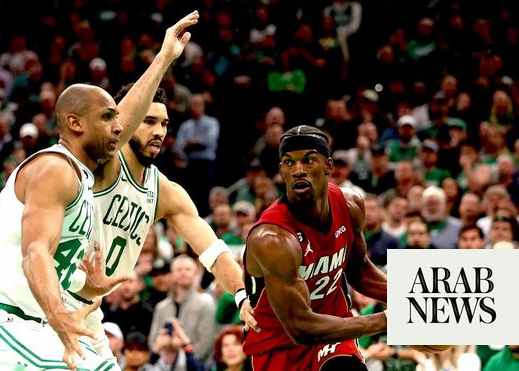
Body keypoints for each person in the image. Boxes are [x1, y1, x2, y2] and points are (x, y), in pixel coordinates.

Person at [0, 11, 200, 371]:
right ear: (76, 124)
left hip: (33, 323)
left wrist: (164, 59)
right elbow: (35, 252)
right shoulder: (54, 169)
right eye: (107, 119)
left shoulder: (81, 177)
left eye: (117, 118)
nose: (118, 127)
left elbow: (122, 120)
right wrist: (59, 314)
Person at [63, 10, 256, 362]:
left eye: (165, 123)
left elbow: (214, 252)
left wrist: (243, 297)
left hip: (89, 312)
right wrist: (165, 57)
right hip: (52, 297)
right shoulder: (102, 164)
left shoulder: (166, 193)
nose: (160, 131)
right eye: (149, 120)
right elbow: (111, 129)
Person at [243, 125, 387, 370]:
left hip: (334, 331)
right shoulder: (272, 238)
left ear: (328, 166)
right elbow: (301, 328)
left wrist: (411, 299)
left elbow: (359, 269)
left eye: (309, 160)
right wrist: (386, 321)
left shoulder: (350, 205)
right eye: (289, 163)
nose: (298, 170)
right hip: (281, 345)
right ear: (281, 171)